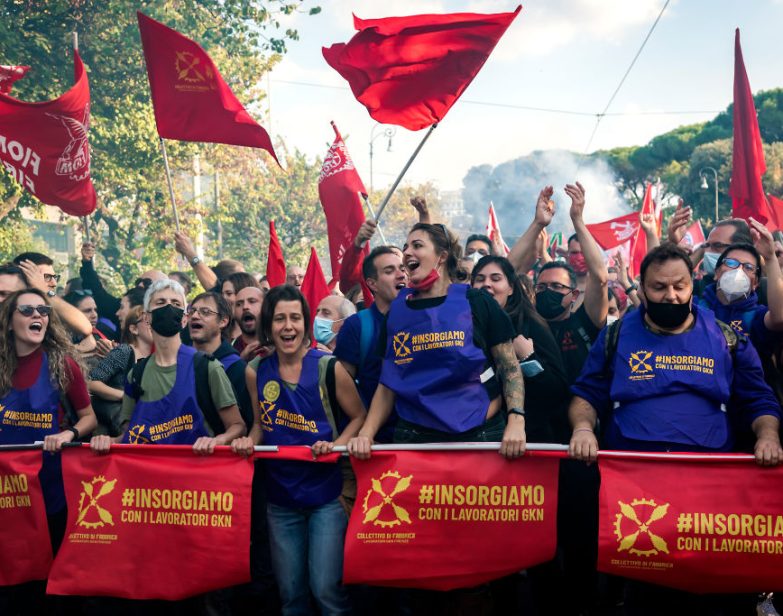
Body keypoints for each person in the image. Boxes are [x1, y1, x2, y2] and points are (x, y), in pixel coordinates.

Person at [569, 243, 782, 612]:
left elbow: (758, 399)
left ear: (693, 283)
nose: (671, 295)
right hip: (634, 491)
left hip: (708, 490)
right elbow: (586, 395)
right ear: (642, 286)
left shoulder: (724, 337)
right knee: (646, 592)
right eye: (659, 288)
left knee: (707, 590)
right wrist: (584, 429)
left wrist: (768, 436)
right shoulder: (617, 335)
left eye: (680, 286)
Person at [232, 285, 366, 615]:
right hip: (280, 499)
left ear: (306, 323)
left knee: (325, 591)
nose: (288, 326)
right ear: (268, 325)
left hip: (327, 495)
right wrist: (248, 439)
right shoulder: (254, 371)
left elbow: (360, 417)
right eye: (279, 319)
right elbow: (260, 424)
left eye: (295, 318)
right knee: (290, 595)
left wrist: (335, 445)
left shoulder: (328, 367)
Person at [348, 223, 526, 458]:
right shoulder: (397, 312)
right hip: (415, 439)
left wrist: (516, 420)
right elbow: (388, 382)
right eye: (405, 247)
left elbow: (509, 367)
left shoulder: (478, 302)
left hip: (480, 435)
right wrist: (366, 433)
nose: (407, 253)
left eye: (417, 245)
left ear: (441, 256)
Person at [90, 279, 246, 452]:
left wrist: (218, 440)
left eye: (176, 303)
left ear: (185, 319)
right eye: (161, 302)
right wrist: (108, 441)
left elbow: (238, 426)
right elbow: (128, 437)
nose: (168, 307)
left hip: (197, 473)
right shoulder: (136, 375)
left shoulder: (207, 368)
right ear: (147, 317)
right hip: (152, 476)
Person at [0, 289, 97, 547]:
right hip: (7, 491)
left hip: (51, 489)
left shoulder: (62, 364)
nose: (38, 315)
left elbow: (89, 417)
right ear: (9, 322)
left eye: (43, 311)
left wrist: (68, 434)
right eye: (27, 310)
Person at [471, 255, 569, 443]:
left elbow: (557, 392)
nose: (487, 285)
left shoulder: (530, 324)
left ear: (511, 288)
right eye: (480, 279)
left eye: (496, 279)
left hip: (528, 441)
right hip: (479, 436)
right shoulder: (464, 327)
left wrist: (528, 359)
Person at [334, 246, 407, 442]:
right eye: (389, 271)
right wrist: (362, 433)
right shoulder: (357, 326)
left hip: (418, 439)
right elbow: (343, 389)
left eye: (402, 268)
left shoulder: (424, 320)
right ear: (372, 284)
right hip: (372, 444)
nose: (400, 275)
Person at [188, 291, 254, 432]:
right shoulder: (178, 361)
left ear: (223, 321)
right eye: (192, 311)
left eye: (205, 312)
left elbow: (248, 425)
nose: (194, 316)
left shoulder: (237, 368)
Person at [88, 306, 152, 436]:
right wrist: (125, 396)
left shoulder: (157, 358)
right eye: (147, 321)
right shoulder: (124, 352)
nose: (154, 325)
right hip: (119, 425)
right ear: (134, 329)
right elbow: (91, 382)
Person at [80, 241, 166, 330]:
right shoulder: (124, 307)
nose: (140, 285)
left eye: (147, 283)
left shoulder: (170, 317)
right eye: (138, 281)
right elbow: (98, 294)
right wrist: (87, 264)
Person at [14, 252, 95, 345]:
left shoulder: (51, 304)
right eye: (47, 277)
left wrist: (46, 291)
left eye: (54, 277)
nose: (54, 283)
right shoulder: (12, 308)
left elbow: (85, 327)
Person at [233, 285, 266, 360]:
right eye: (239, 304)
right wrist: (240, 363)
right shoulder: (228, 351)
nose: (245, 307)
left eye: (252, 301)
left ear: (266, 306)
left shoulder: (280, 345)